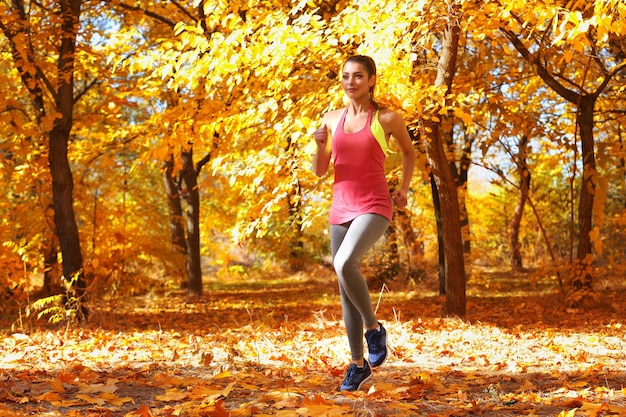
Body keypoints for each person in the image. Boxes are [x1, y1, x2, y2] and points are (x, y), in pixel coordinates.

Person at [312, 55, 416, 391]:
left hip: (374, 204)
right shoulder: (331, 119)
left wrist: (402, 189)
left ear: (371, 80)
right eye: (345, 76)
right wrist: (318, 144)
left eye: (358, 76)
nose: (351, 81)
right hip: (340, 207)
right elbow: (319, 170)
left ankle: (374, 329)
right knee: (345, 286)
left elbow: (409, 152)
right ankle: (358, 365)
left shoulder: (386, 118)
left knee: (344, 262)